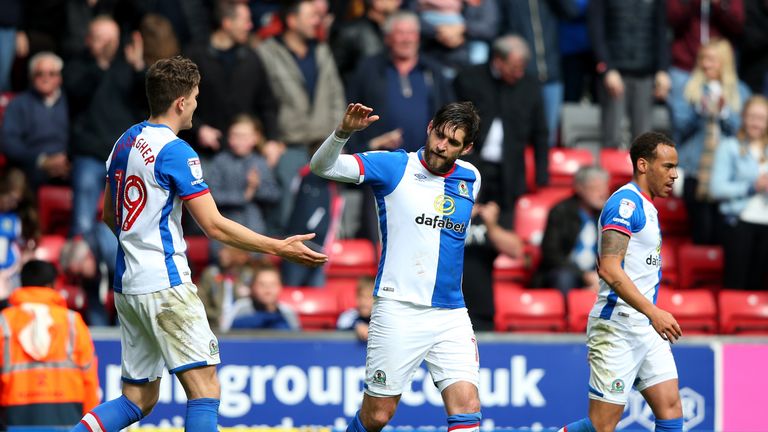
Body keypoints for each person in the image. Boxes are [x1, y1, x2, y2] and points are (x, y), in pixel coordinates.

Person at [69, 56, 327, 432]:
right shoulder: (176, 151)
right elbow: (215, 227)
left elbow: (109, 215)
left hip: (129, 284)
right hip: (166, 283)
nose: (196, 104)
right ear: (180, 103)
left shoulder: (124, 141)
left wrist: (138, 245)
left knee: (137, 399)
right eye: (195, 97)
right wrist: (278, 247)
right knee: (205, 389)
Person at [311, 102, 482, 432]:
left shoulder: (470, 178)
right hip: (399, 308)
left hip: (451, 314)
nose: (441, 146)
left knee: (467, 407)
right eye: (439, 135)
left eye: (453, 142)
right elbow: (322, 168)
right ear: (430, 127)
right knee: (377, 416)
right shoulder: (393, 166)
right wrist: (343, 133)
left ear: (467, 148)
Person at [558, 131, 684, 432]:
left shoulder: (647, 206)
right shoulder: (624, 205)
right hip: (617, 326)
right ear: (643, 165)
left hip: (645, 328)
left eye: (675, 167)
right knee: (602, 426)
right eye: (667, 166)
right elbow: (610, 270)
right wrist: (654, 312)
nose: (675, 175)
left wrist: (650, 316)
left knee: (670, 409)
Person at [454, 35, 549, 218]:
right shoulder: (469, 78)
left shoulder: (530, 87)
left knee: (506, 224)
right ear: (498, 61)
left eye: (522, 68)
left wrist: (541, 175)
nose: (519, 74)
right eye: (514, 68)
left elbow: (540, 134)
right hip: (472, 165)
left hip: (510, 172)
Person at [667, 38, 750, 245]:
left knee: (724, 234)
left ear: (724, 62)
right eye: (703, 59)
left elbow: (746, 132)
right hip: (696, 170)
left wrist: (724, 113)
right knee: (701, 232)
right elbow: (679, 127)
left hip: (728, 174)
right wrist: (699, 111)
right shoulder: (688, 87)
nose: (706, 64)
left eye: (712, 59)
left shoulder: (740, 91)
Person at [0, 260, 99, 429]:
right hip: (69, 419)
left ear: (23, 284)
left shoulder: (4, 322)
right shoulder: (72, 321)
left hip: (13, 420)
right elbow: (89, 378)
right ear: (51, 285)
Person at [588, 0, 671, 149]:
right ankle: (611, 171)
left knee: (644, 141)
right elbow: (596, 31)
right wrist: (606, 69)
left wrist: (662, 69)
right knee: (612, 136)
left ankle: (640, 173)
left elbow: (661, 31)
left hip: (645, 74)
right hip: (614, 74)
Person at [710, 95, 768, 289]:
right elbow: (716, 188)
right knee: (737, 283)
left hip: (766, 224)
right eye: (752, 117)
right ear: (743, 117)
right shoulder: (729, 146)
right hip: (739, 222)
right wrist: (751, 187)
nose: (756, 123)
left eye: (761, 118)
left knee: (760, 287)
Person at [534, 166, 610, 294]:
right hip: (567, 271)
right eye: (596, 188)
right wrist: (583, 275)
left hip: (598, 273)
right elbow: (551, 254)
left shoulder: (609, 214)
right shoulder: (560, 211)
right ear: (580, 188)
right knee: (564, 278)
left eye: (605, 187)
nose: (602, 193)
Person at [2, 51, 70, 189]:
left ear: (60, 78)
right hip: (30, 165)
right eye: (40, 74)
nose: (46, 78)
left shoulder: (72, 102)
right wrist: (41, 161)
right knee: (14, 181)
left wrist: (69, 159)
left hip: (68, 164)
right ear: (31, 77)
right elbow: (8, 142)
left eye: (51, 73)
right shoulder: (18, 104)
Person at [462, 200, 523, 331]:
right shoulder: (443, 209)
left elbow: (516, 250)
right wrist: (461, 220)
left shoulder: (488, 212)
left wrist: (491, 225)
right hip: (443, 305)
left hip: (480, 308)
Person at [222, 262, 301, 331]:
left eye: (273, 284)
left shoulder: (287, 312)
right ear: (252, 287)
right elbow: (227, 335)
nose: (268, 289)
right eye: (262, 284)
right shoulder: (241, 309)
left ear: (280, 287)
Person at [337, 275, 375, 341]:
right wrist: (357, 326)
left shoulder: (381, 318)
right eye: (361, 296)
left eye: (369, 297)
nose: (363, 301)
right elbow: (342, 324)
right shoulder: (349, 315)